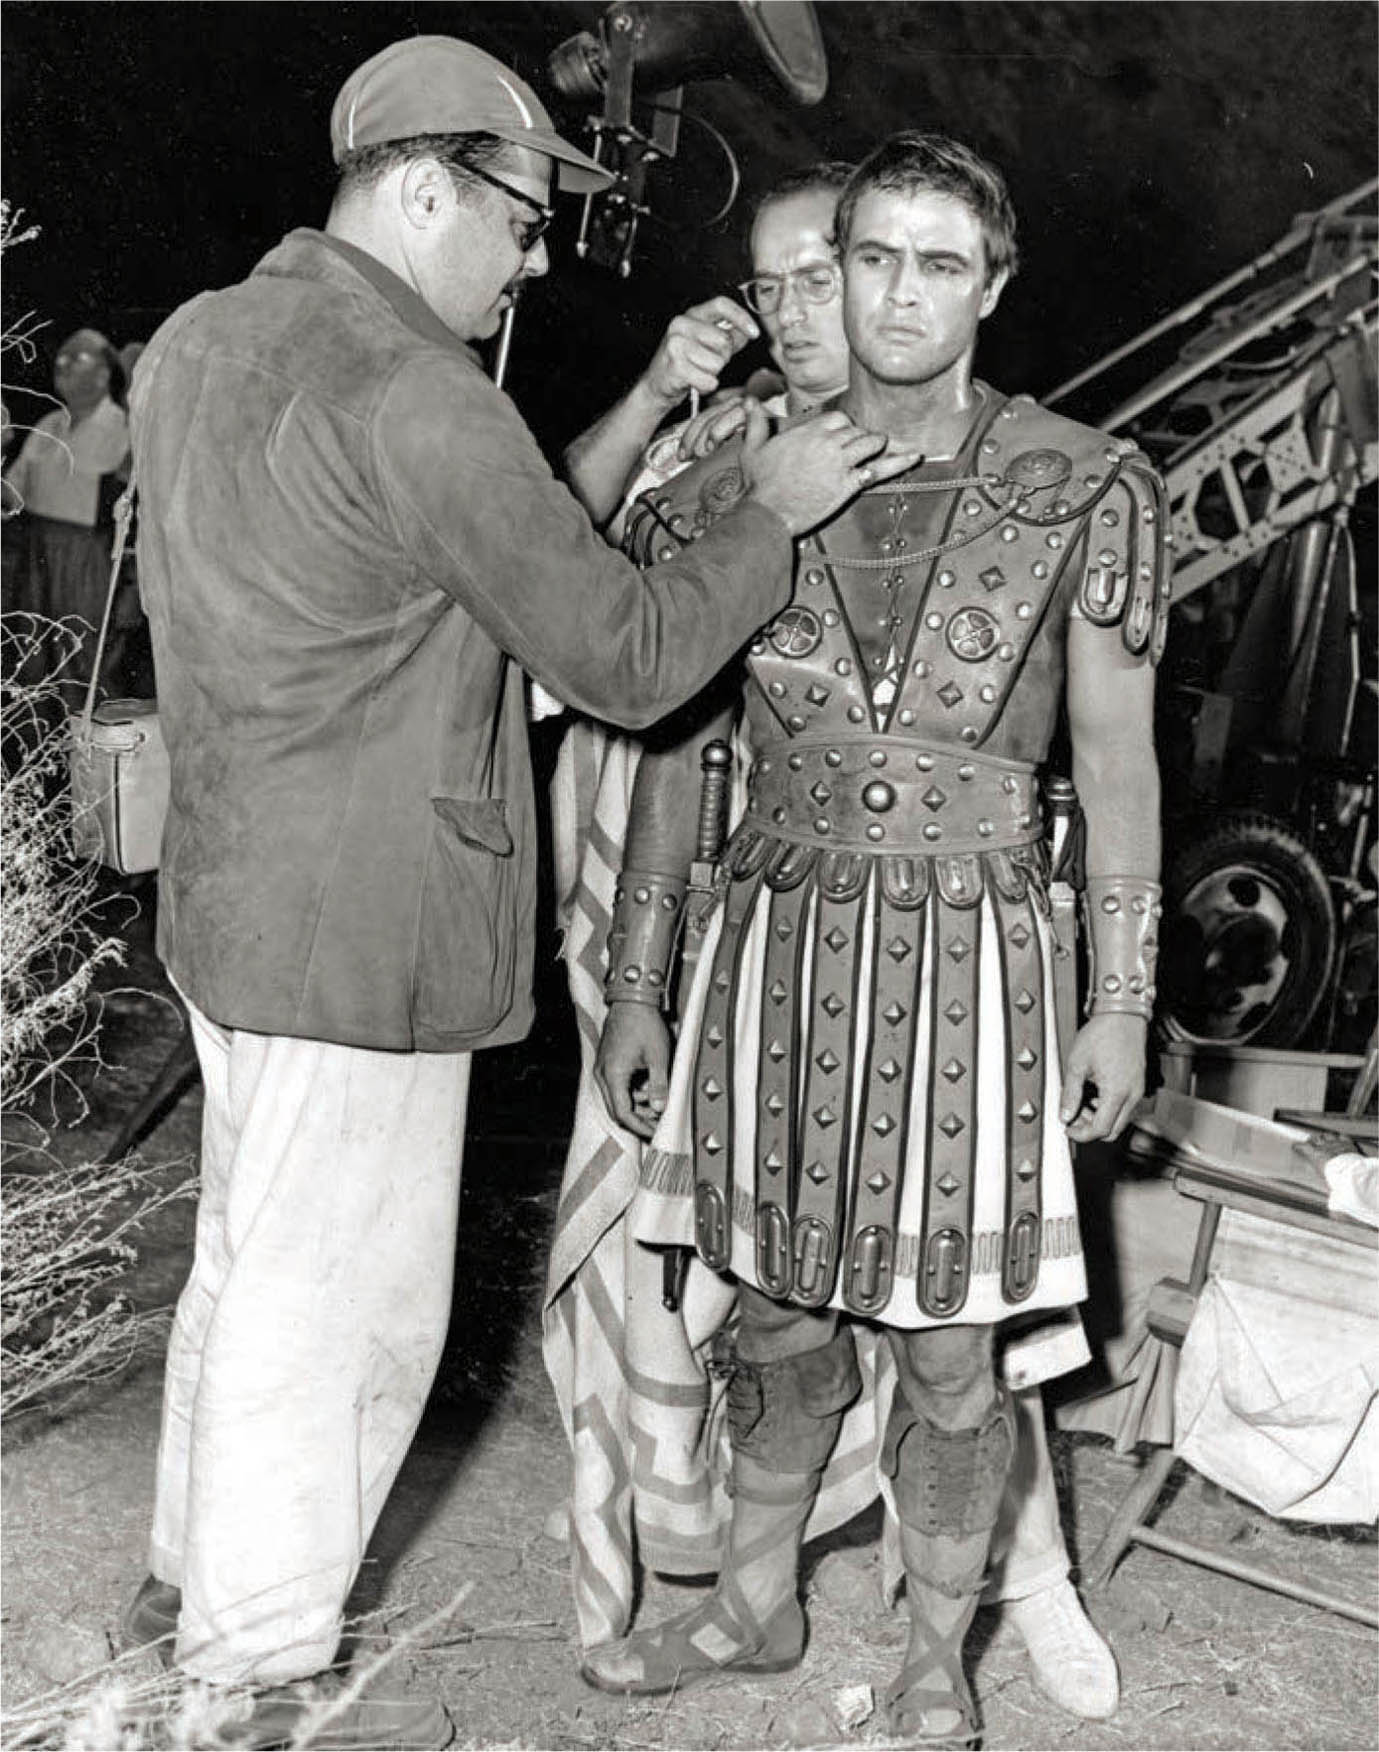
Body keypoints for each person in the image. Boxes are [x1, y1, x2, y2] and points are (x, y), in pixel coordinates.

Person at [119, 35, 918, 1750]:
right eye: (517, 219)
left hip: (234, 899)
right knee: (336, 1319)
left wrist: (635, 406)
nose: (533, 255)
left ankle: (185, 1585)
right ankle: (246, 1675)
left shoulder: (205, 341)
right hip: (371, 925)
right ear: (422, 188)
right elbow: (620, 652)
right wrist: (763, 514)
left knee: (246, 1260)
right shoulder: (418, 391)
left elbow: (463, 551)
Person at [581, 133, 1168, 1747]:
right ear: (826, 270)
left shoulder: (1081, 483)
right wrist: (638, 982)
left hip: (975, 956)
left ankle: (931, 1654)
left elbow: (1113, 762)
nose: (896, 292)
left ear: (989, 286)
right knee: (768, 1313)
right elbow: (678, 750)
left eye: (936, 262)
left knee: (951, 1352)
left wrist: (1118, 1000)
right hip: (768, 949)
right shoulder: (727, 489)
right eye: (868, 258)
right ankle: (752, 1606)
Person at [2, 328, 131, 693]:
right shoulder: (47, 425)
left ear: (105, 372)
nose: (63, 364)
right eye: (61, 357)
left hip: (88, 560)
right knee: (31, 666)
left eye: (77, 358)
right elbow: (13, 495)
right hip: (36, 555)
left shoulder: (125, 430)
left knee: (86, 667)